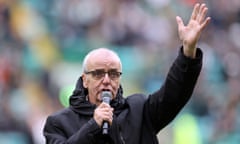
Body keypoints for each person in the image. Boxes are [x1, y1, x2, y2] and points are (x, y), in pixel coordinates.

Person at [43, 3, 211, 144]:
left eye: (114, 74)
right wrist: (93, 126)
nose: (107, 80)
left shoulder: (139, 110)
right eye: (99, 74)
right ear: (85, 80)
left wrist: (188, 52)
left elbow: (175, 94)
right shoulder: (58, 123)